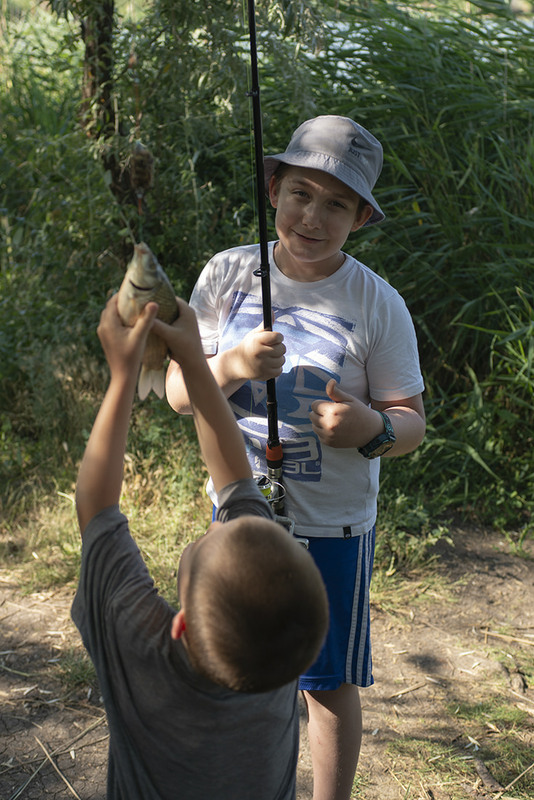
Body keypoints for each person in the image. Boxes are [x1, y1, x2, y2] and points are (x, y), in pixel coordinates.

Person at [165, 114, 426, 800]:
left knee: (327, 682)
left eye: (336, 203)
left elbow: (411, 424)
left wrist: (370, 425)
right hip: (240, 520)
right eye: (300, 193)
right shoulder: (228, 275)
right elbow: (175, 393)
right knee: (229, 666)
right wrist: (229, 364)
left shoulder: (378, 303)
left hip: (333, 527)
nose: (313, 215)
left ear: (362, 217)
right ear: (273, 187)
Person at [71, 293, 329, 800]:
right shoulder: (272, 663)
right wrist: (193, 360)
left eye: (210, 537)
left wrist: (123, 376)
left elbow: (96, 508)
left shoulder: (140, 648)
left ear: (180, 624)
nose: (219, 525)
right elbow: (237, 483)